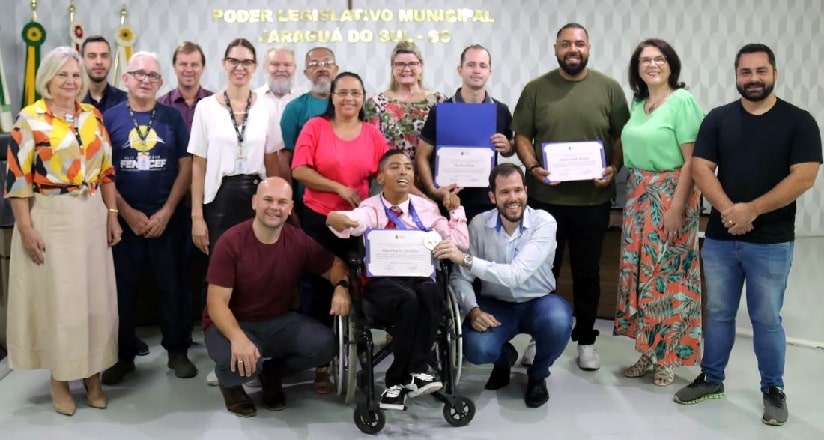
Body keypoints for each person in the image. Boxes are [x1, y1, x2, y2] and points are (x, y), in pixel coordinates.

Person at [673, 44, 822, 427]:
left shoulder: (799, 121)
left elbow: (804, 175)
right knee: (719, 313)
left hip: (771, 241)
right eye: (745, 72)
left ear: (774, 72)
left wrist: (751, 210)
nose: (753, 78)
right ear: (735, 75)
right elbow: (702, 168)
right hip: (721, 237)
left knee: (766, 317)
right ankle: (712, 378)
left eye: (760, 71)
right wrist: (729, 211)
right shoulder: (719, 119)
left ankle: (773, 389)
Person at [4, 46, 121, 416]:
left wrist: (112, 214)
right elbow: (17, 179)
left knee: (95, 302)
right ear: (47, 80)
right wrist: (24, 226)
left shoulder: (92, 116)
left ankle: (93, 375)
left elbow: (106, 172)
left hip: (92, 214)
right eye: (63, 75)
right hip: (52, 216)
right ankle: (60, 379)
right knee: (62, 304)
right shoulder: (29, 119)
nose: (70, 82)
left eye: (75, 75)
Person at [512, 23, 629, 370]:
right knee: (541, 273)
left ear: (588, 48)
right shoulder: (536, 89)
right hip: (544, 201)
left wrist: (614, 167)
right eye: (566, 44)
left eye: (579, 43)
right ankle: (539, 336)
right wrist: (533, 167)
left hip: (592, 202)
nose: (572, 49)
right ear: (556, 48)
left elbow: (622, 136)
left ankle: (586, 340)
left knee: (587, 274)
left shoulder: (608, 88)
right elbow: (521, 136)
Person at [326, 149, 468, 410]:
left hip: (418, 277)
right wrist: (338, 218)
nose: (403, 171)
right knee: (408, 300)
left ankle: (404, 377)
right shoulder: (371, 208)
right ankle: (410, 373)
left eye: (407, 167)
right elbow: (352, 222)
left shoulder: (427, 208)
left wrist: (456, 212)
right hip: (382, 283)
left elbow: (459, 243)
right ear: (380, 177)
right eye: (394, 167)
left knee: (431, 293)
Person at [205, 177, 348, 417]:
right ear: (254, 202)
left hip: (279, 322)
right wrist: (238, 338)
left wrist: (342, 286)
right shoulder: (231, 242)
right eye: (268, 200)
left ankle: (272, 373)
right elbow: (216, 303)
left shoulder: (297, 240)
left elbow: (334, 264)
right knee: (243, 365)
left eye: (282, 202)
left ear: (290, 208)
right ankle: (230, 386)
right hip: (233, 323)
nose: (275, 207)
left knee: (325, 346)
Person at [188, 38, 281, 386]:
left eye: (246, 61)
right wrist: (197, 215)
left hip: (255, 198)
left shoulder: (266, 107)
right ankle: (223, 356)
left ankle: (255, 352)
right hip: (219, 200)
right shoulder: (206, 108)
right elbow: (198, 164)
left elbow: (272, 158)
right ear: (224, 64)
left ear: (255, 67)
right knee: (218, 279)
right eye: (233, 61)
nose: (240, 67)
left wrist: (281, 203)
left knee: (256, 278)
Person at [441, 164, 572, 408]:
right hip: (496, 304)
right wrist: (472, 309)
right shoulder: (478, 224)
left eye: (518, 190)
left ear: (526, 191)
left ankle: (537, 375)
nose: (513, 198)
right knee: (476, 348)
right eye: (504, 192)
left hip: (539, 302)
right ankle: (503, 360)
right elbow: (460, 278)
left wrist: (465, 259)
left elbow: (516, 275)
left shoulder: (544, 223)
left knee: (559, 322)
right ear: (492, 197)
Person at [101, 51, 197, 384]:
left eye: (153, 76)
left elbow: (186, 166)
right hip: (124, 222)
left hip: (167, 220)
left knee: (173, 288)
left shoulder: (172, 119)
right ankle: (123, 356)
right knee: (122, 291)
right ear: (125, 79)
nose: (145, 80)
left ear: (160, 82)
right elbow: (104, 171)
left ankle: (177, 351)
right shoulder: (108, 118)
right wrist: (126, 212)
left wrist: (168, 211)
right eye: (138, 74)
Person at [613, 39, 705, 387]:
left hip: (671, 197)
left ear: (671, 64)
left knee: (668, 279)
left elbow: (693, 162)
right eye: (645, 60)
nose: (652, 64)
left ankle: (669, 357)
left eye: (659, 59)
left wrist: (677, 208)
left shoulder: (682, 101)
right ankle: (648, 351)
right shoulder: (639, 103)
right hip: (637, 199)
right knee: (643, 278)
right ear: (637, 67)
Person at [291, 71, 388, 393]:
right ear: (332, 96)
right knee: (316, 290)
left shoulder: (373, 134)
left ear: (363, 98)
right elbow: (299, 169)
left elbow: (387, 173)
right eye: (343, 92)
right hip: (318, 219)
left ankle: (356, 354)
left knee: (357, 287)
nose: (349, 99)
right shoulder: (315, 127)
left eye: (356, 93)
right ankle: (319, 362)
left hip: (356, 222)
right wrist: (339, 188)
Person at [416, 44, 514, 220]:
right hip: (449, 201)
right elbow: (421, 156)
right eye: (471, 65)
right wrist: (433, 190)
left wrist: (507, 147)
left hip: (488, 202)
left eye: (482, 66)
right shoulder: (441, 111)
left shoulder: (501, 110)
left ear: (489, 72)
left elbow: (511, 149)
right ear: (460, 70)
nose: (477, 70)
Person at [280, 47, 339, 215]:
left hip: (349, 198)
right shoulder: (295, 108)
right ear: (306, 73)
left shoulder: (351, 105)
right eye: (314, 65)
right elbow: (285, 159)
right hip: (308, 201)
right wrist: (288, 201)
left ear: (336, 69)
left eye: (327, 63)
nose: (322, 68)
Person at [365, 41, 446, 162]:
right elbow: (372, 148)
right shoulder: (376, 103)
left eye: (412, 63)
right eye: (400, 64)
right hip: (390, 175)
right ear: (392, 67)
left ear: (421, 66)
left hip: (430, 174)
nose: (406, 69)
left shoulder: (439, 101)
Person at [255, 47, 302, 181]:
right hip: (259, 178)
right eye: (275, 64)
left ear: (295, 68)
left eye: (287, 65)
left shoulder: (304, 99)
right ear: (264, 67)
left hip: (300, 178)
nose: (281, 69)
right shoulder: (252, 100)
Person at [158, 41, 214, 132]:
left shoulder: (216, 104)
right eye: (183, 64)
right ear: (174, 67)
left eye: (194, 65)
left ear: (203, 68)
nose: (188, 69)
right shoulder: (161, 105)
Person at [80, 35, 127, 113]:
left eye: (104, 56)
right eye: (92, 56)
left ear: (111, 61)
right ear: (82, 61)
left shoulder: (125, 101)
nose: (99, 61)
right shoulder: (72, 100)